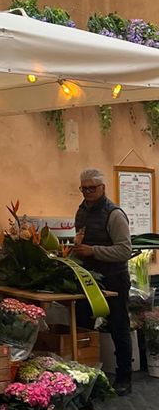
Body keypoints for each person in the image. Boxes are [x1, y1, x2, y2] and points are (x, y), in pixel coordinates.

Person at [72, 168, 132, 395]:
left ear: (103, 188)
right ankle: (85, 375)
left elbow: (125, 250)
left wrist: (93, 251)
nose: (87, 192)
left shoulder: (114, 214)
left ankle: (124, 377)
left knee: (118, 326)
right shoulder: (81, 211)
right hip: (88, 279)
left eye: (91, 188)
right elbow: (81, 244)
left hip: (114, 278)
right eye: (83, 188)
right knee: (82, 325)